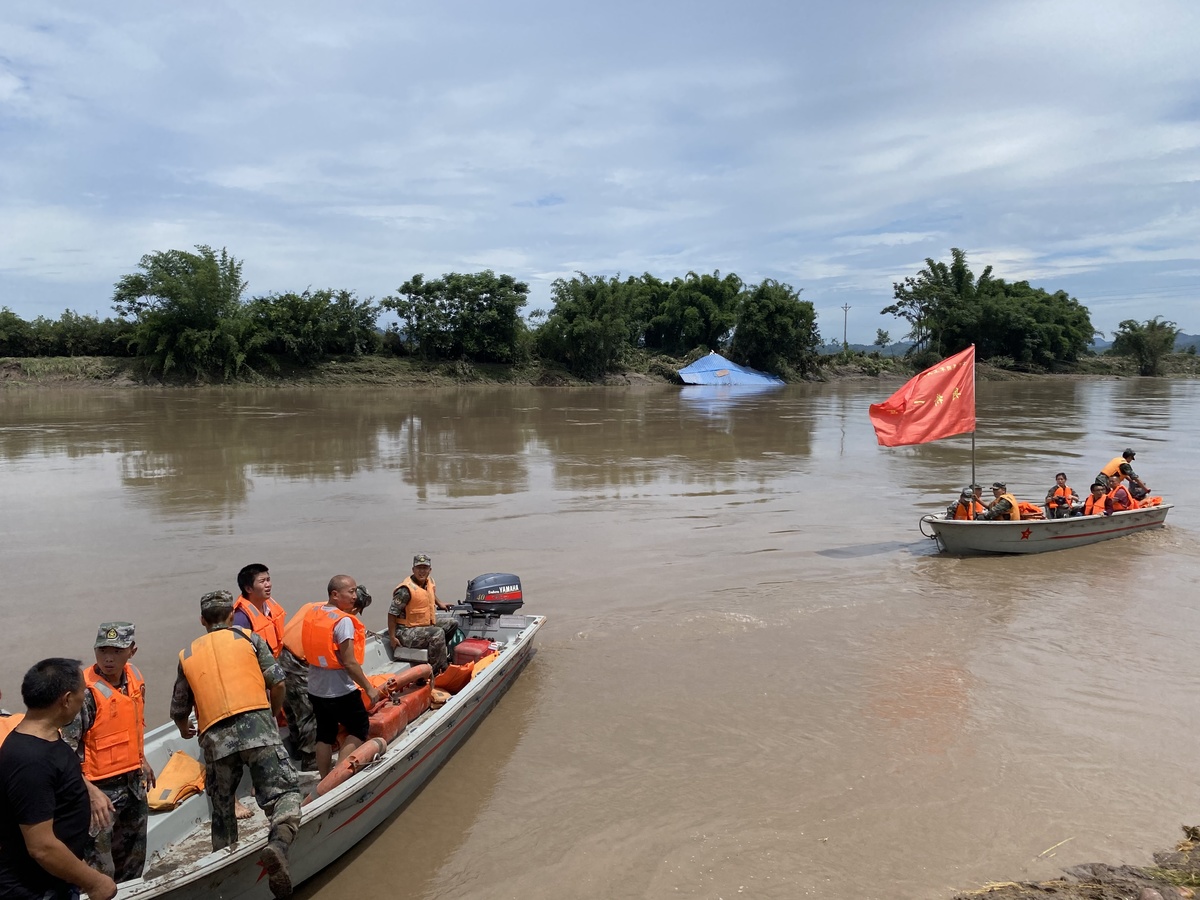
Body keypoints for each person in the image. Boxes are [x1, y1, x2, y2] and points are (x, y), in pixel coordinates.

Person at [171, 590, 301, 899]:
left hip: (215, 737)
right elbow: (278, 682)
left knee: (222, 808)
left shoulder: (187, 653)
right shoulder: (250, 639)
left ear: (202, 621)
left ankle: (223, 874)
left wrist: (183, 729)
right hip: (258, 726)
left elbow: (179, 710)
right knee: (284, 794)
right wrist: (272, 713)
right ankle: (278, 845)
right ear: (232, 615)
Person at [0, 658, 118, 900]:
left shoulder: (46, 737)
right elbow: (41, 847)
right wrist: (95, 882)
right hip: (34, 890)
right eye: (81, 694)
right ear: (65, 700)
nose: (83, 700)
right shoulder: (30, 760)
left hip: (57, 880)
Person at [61, 623, 154, 884]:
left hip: (134, 784)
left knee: (134, 861)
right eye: (102, 650)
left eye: (116, 650)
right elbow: (64, 751)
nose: (108, 658)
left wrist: (142, 759)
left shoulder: (135, 677)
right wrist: (89, 792)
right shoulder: (84, 692)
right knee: (101, 869)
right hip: (99, 791)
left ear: (132, 651)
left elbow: (133, 724)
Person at [279, 585, 372, 773]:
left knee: (293, 708)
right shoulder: (340, 621)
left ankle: (298, 751)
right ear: (352, 607)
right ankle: (310, 760)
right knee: (308, 715)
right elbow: (348, 661)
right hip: (300, 665)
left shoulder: (314, 608)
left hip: (282, 656)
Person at [301, 576, 382, 779]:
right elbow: (349, 662)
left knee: (325, 734)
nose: (355, 596)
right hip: (338, 690)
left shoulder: (314, 612)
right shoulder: (343, 621)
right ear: (335, 594)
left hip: (315, 688)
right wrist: (369, 688)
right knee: (359, 726)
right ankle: (337, 777)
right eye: (351, 592)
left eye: (355, 591)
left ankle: (324, 776)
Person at [388, 554, 459, 675]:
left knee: (452, 623)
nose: (422, 571)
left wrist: (439, 603)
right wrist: (392, 637)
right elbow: (391, 614)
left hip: (423, 625)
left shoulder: (428, 581)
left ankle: (437, 654)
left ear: (429, 570)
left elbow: (428, 593)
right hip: (405, 631)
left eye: (425, 568)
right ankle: (437, 671)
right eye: (419, 568)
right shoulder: (405, 590)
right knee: (437, 633)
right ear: (413, 569)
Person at [234, 564, 287, 657]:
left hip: (276, 658)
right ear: (248, 589)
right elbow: (239, 653)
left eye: (268, 580)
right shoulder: (240, 618)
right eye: (262, 581)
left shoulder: (269, 605)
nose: (268, 585)